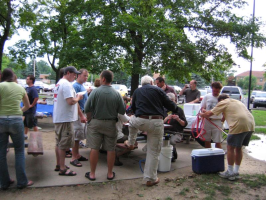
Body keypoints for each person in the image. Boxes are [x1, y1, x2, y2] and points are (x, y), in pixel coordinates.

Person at [125, 75, 177, 187]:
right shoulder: (158, 90)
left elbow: (132, 108)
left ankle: (131, 142)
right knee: (153, 152)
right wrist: (176, 109)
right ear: (152, 82)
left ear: (142, 83)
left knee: (132, 123)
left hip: (140, 121)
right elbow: (170, 104)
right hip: (156, 122)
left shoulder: (137, 91)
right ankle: (150, 179)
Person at [200, 94, 255, 181]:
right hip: (250, 123)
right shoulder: (236, 102)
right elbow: (225, 115)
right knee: (238, 147)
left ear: (220, 101)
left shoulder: (223, 102)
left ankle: (229, 171)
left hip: (239, 124)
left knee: (230, 147)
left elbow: (210, 113)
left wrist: (202, 115)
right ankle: (235, 172)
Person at [84, 70, 125, 181]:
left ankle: (92, 174)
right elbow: (122, 110)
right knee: (111, 149)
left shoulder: (94, 92)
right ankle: (110, 173)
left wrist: (89, 117)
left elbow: (86, 108)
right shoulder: (117, 94)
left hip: (96, 122)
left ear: (103, 79)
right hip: (111, 123)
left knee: (94, 148)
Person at [0, 68, 34, 189]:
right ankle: (22, 181)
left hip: (1, 120)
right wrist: (19, 111)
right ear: (13, 76)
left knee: (1, 152)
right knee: (19, 151)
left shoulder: (0, 86)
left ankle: (4, 182)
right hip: (16, 120)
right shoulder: (20, 88)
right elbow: (27, 105)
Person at [53, 66, 83, 176]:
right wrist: (78, 98)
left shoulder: (59, 83)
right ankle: (62, 168)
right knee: (63, 144)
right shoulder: (66, 84)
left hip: (59, 117)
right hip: (65, 119)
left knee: (59, 142)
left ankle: (58, 164)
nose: (75, 76)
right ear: (68, 73)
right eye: (74, 74)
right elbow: (70, 101)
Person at [71, 69, 92, 167]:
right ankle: (73, 157)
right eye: (84, 76)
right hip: (78, 115)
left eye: (87, 76)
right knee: (76, 136)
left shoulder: (81, 86)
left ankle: (77, 155)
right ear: (78, 75)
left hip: (83, 114)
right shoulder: (75, 86)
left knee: (79, 137)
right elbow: (75, 103)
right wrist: (81, 115)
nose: (86, 78)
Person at [164, 93, 187, 162]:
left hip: (176, 132)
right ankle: (166, 154)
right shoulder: (164, 109)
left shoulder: (179, 110)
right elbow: (160, 122)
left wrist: (178, 119)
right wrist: (167, 118)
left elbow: (184, 124)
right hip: (165, 131)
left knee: (171, 141)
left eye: (172, 100)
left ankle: (172, 153)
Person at [201, 82, 223, 148]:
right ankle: (208, 155)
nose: (215, 92)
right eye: (214, 91)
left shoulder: (221, 98)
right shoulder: (207, 96)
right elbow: (202, 107)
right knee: (207, 140)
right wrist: (204, 111)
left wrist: (222, 121)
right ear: (212, 89)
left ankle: (218, 155)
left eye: (217, 91)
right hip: (207, 121)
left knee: (218, 140)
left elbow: (225, 111)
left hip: (217, 120)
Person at [23, 75, 39, 139]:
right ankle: (25, 135)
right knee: (25, 124)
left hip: (31, 110)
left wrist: (32, 105)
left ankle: (37, 137)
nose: (26, 80)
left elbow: (36, 97)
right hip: (26, 109)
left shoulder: (33, 89)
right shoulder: (27, 88)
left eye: (27, 79)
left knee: (33, 123)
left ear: (31, 80)